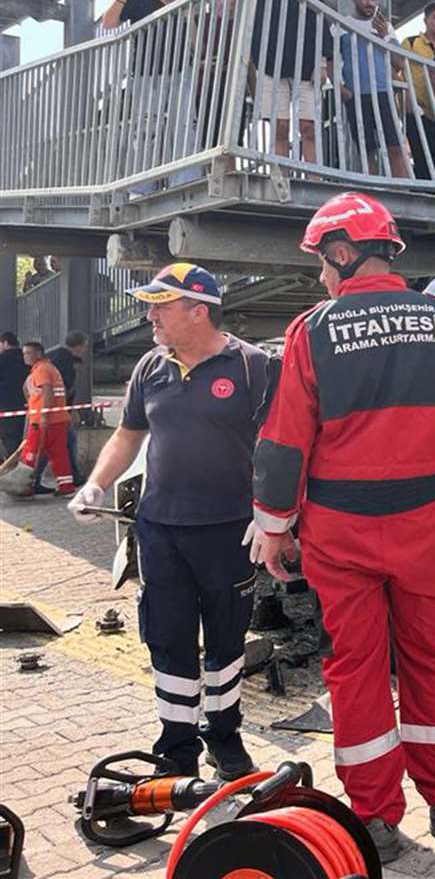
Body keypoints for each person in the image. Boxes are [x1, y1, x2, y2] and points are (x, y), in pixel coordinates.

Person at [244, 191, 435, 863]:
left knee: (355, 667)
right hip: (424, 524)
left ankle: (376, 819)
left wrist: (274, 527)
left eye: (322, 266)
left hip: (340, 530)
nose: (321, 280)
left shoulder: (313, 330)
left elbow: (284, 442)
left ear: (341, 252)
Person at [67, 264, 269, 781]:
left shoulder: (253, 366)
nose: (149, 315)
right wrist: (97, 483)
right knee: (167, 638)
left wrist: (273, 514)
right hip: (160, 529)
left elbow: (280, 446)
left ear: (198, 311)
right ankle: (176, 747)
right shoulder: (150, 367)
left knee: (225, 641)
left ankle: (223, 736)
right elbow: (128, 435)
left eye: (161, 305)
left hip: (229, 530)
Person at [101, 0, 200, 193]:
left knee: (185, 127)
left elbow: (195, 44)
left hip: (179, 72)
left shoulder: (183, 6)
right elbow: (109, 23)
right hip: (147, 73)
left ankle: (186, 184)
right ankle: (142, 188)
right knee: (147, 131)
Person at [250, 0, 332, 164]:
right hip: (270, 68)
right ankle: (281, 180)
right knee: (279, 128)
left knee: (309, 127)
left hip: (306, 66)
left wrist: (322, 63)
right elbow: (252, 28)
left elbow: (321, 25)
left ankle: (314, 177)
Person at [337, 0, 409, 178]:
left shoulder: (386, 27)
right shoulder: (341, 25)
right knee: (367, 150)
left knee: (395, 147)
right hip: (357, 96)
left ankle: (403, 193)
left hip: (383, 93)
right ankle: (376, 191)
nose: (369, 3)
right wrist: (342, 90)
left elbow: (399, 63)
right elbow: (332, 60)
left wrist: (385, 35)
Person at [402, 2, 435, 182]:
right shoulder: (411, 42)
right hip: (417, 109)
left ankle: (431, 193)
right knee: (421, 158)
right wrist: (407, 100)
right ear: (426, 20)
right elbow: (399, 68)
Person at [17, 342, 75, 496]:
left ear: (38, 354)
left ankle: (24, 486)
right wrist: (32, 402)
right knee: (59, 453)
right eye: (24, 354)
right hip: (58, 419)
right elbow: (29, 388)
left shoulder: (41, 370)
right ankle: (66, 487)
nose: (25, 357)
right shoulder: (47, 368)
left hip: (43, 421)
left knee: (30, 454)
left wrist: (43, 414)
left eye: (28, 353)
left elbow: (47, 391)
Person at [33, 331, 88, 493]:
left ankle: (70, 477)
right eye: (84, 345)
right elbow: (62, 389)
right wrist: (67, 409)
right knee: (54, 445)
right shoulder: (66, 362)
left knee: (57, 444)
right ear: (79, 346)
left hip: (48, 410)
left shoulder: (55, 356)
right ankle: (35, 479)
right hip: (55, 412)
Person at [0, 332, 25, 458]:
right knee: (22, 437)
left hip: (6, 405)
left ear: (5, 343)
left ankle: (12, 464)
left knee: (9, 437)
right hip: (26, 405)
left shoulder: (2, 359)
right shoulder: (26, 358)